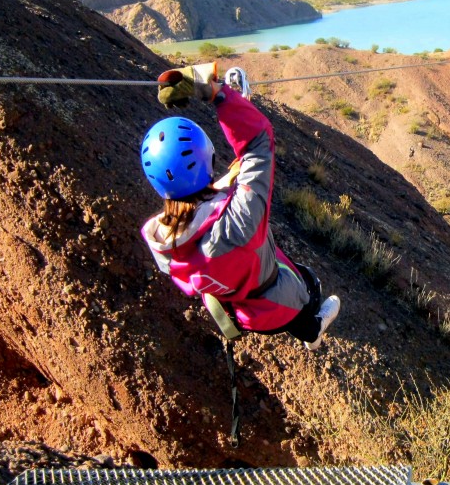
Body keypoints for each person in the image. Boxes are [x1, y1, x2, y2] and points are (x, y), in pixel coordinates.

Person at [140, 66, 339, 350]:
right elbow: (258, 142)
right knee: (308, 287)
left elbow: (210, 202)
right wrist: (217, 94)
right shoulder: (238, 222)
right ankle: (314, 332)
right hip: (277, 300)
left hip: (243, 311)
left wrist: (226, 180)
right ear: (206, 157)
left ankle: (307, 329)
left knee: (292, 298)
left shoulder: (163, 244)